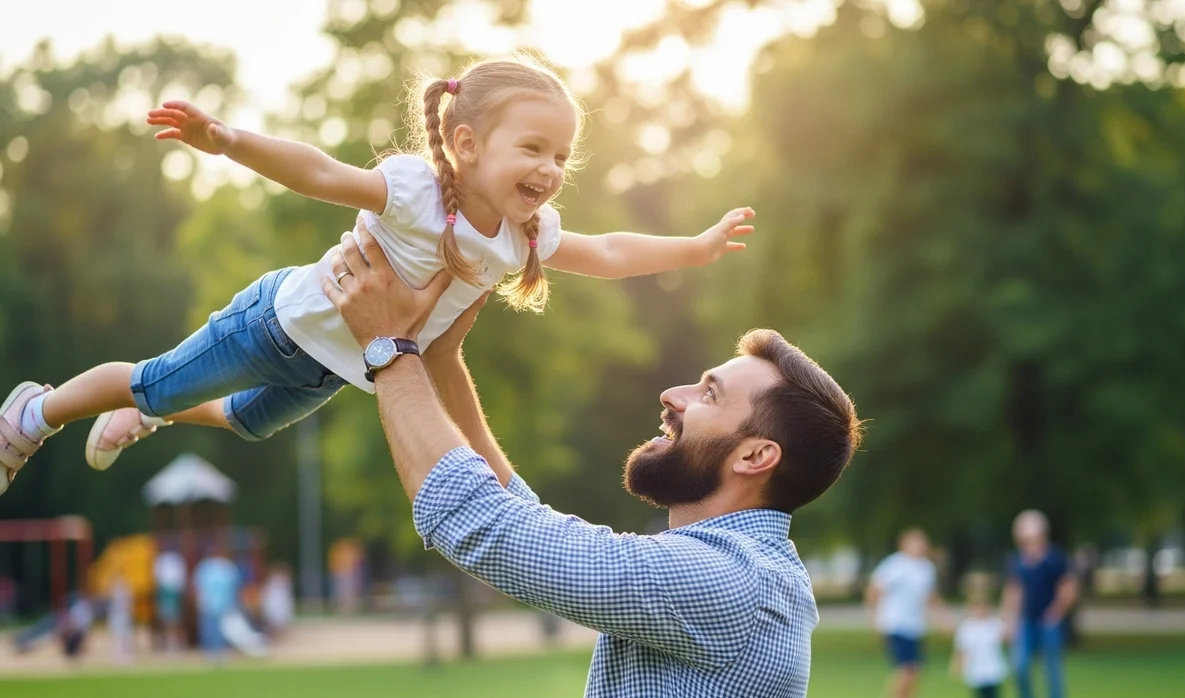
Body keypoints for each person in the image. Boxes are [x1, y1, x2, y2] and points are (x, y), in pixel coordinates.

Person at [0, 55, 755, 494]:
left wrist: (692, 246)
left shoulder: (523, 234)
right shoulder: (416, 189)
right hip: (279, 323)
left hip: (337, 368)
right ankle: (33, 414)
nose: (550, 169)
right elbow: (319, 171)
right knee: (149, 379)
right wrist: (227, 141)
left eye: (561, 155)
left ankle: (158, 414)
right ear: (465, 143)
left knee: (240, 421)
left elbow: (611, 251)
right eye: (532, 148)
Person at [318, 224, 863, 697]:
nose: (673, 394)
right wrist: (442, 360)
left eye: (710, 395)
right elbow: (520, 516)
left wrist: (388, 348)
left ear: (756, 455)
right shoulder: (736, 567)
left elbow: (484, 524)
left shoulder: (730, 582)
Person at [1001, 510, 1078, 698]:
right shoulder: (1018, 560)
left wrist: (1056, 611)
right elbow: (1014, 590)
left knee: (1052, 671)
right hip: (1025, 621)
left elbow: (1069, 587)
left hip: (1048, 622)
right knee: (1020, 666)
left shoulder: (1055, 558)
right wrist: (1008, 619)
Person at [865, 528, 948, 698]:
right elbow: (874, 590)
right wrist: (873, 618)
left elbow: (929, 597)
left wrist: (943, 617)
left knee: (916, 671)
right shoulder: (894, 565)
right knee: (905, 670)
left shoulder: (926, 568)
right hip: (895, 623)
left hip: (915, 626)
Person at [952, 595, 1008, 698]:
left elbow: (1007, 637)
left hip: (992, 668)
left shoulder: (994, 624)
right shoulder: (967, 627)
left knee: (992, 693)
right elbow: (962, 648)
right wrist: (957, 664)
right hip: (976, 668)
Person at [193, 544, 240, 661]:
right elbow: (198, 586)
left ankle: (220, 652)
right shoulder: (205, 567)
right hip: (209, 604)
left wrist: (233, 603)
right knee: (209, 629)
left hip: (223, 604)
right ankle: (209, 653)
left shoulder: (226, 567)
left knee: (222, 630)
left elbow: (234, 586)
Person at [153, 546, 187, 653]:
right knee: (166, 618)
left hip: (174, 591)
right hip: (166, 591)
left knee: (175, 619)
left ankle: (176, 643)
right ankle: (167, 643)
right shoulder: (161, 559)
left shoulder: (177, 559)